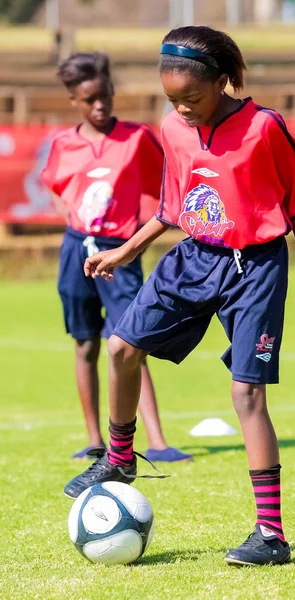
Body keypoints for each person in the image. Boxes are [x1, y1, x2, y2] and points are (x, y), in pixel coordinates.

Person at [64, 28, 295, 566]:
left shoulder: (263, 126)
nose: (182, 110)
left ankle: (270, 535)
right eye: (172, 101)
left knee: (246, 395)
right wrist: (123, 251)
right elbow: (171, 207)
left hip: (255, 266)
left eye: (193, 98)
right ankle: (119, 459)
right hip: (194, 257)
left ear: (222, 81)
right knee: (120, 348)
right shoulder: (173, 128)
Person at [41, 52, 191, 464]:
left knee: (131, 341)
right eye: (90, 99)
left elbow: (169, 178)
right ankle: (94, 439)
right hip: (76, 250)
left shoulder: (137, 138)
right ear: (74, 99)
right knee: (85, 343)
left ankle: (157, 442)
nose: (100, 105)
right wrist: (70, 216)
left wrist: (143, 226)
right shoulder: (64, 145)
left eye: (105, 95)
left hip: (119, 253)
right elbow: (55, 185)